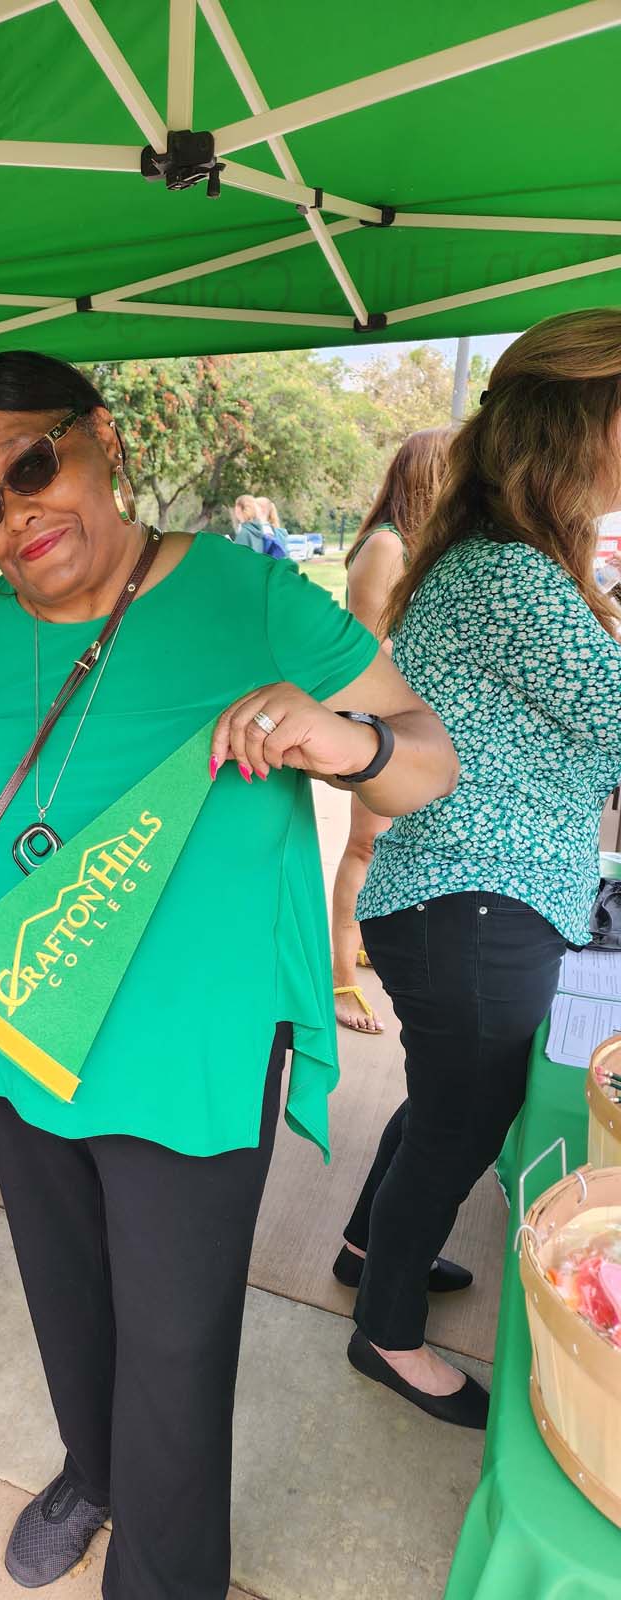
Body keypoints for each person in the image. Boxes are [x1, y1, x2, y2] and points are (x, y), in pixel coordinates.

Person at [0, 349, 457, 1597]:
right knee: (67, 1297)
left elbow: (425, 759)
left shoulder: (249, 601)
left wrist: (337, 737)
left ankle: (163, 1566)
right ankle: (93, 1471)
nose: (15, 513)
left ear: (103, 440)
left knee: (177, 1355)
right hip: (16, 1029)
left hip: (189, 1050)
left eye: (34, 464)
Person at [339, 308, 621, 1429]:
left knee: (446, 1099)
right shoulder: (512, 573)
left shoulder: (501, 561)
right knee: (466, 1114)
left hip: (467, 889)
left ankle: (370, 1247)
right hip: (475, 893)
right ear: (576, 428)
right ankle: (387, 1333)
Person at [331, 429, 455, 1034]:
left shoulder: (413, 545)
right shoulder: (387, 545)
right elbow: (364, 651)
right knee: (365, 846)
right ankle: (340, 982)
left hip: (401, 723)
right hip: (376, 722)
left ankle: (359, 944)